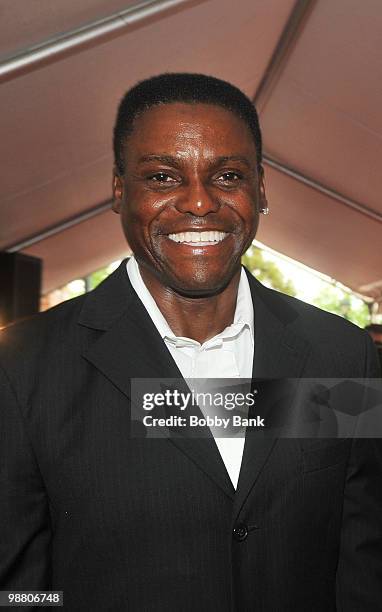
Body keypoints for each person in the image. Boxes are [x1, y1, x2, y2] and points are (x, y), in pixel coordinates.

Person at [0, 73, 381, 612]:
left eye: (227, 175)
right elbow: (16, 588)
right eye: (162, 176)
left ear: (260, 188)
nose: (199, 203)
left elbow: (361, 561)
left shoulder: (340, 354)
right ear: (118, 189)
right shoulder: (23, 369)